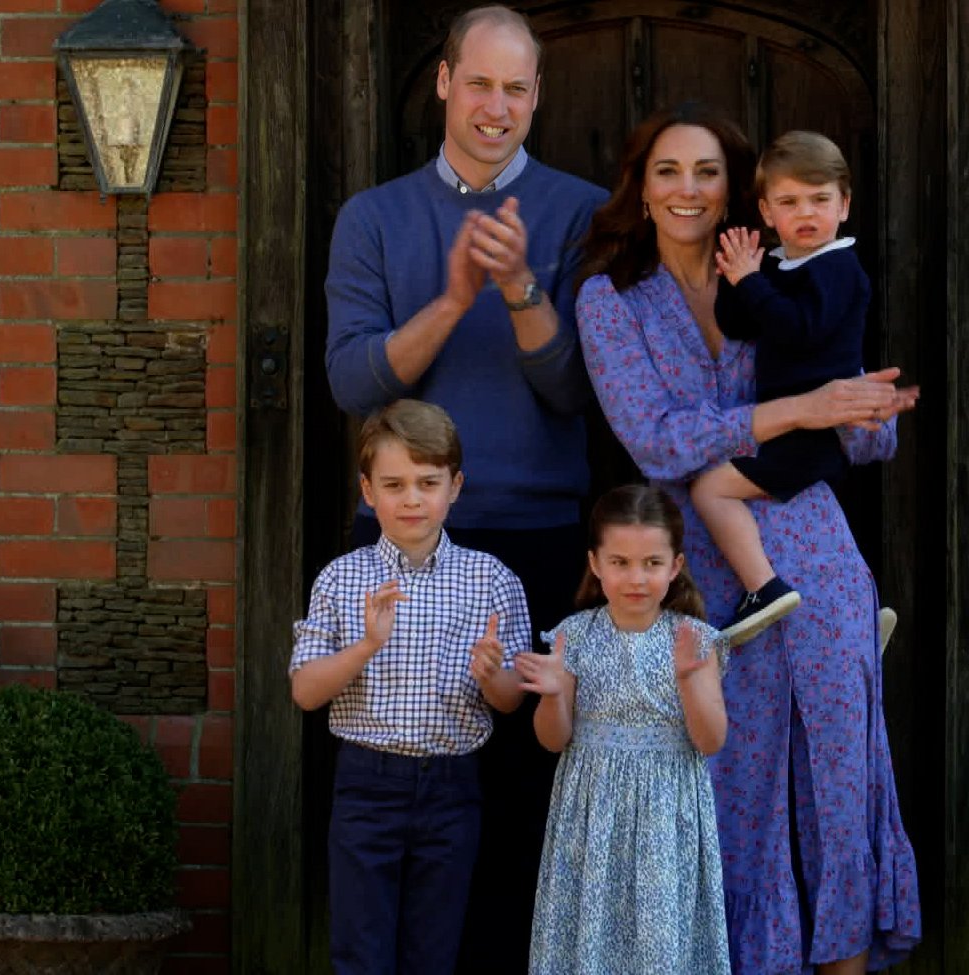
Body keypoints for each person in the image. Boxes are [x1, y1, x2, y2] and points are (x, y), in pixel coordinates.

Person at [573, 103, 924, 974]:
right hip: (698, 567)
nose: (687, 189)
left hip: (815, 545)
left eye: (705, 172)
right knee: (730, 787)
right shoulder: (609, 298)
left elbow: (853, 425)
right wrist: (802, 409)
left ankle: (846, 960)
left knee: (841, 779)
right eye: (667, 171)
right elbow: (654, 439)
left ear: (738, 193)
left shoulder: (784, 268)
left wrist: (867, 409)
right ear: (640, 189)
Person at [322, 6, 608, 967]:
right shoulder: (374, 216)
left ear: (537, 97)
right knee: (393, 799)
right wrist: (451, 298)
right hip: (401, 541)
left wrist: (522, 287)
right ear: (443, 82)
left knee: (523, 798)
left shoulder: (581, 213)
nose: (496, 106)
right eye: (478, 83)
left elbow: (576, 391)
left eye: (515, 88)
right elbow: (354, 382)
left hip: (534, 536)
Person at [289, 399, 529, 975]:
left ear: (456, 486)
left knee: (434, 949)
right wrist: (367, 645)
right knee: (360, 948)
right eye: (394, 484)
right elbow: (305, 692)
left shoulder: (491, 579)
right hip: (367, 784)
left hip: (452, 787)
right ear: (368, 491)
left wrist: (492, 674)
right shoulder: (342, 578)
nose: (413, 499)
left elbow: (512, 699)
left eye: (428, 482)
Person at [517, 485, 732, 975]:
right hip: (591, 813)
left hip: (666, 813)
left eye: (652, 564)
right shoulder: (575, 634)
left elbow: (710, 741)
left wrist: (689, 681)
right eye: (620, 562)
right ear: (595, 563)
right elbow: (553, 740)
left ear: (675, 566)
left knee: (660, 944)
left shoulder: (694, 639)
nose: (636, 578)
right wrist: (552, 693)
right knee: (591, 937)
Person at [695, 130, 870, 646]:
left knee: (711, 489)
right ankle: (847, 616)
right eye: (790, 202)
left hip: (812, 433)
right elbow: (739, 324)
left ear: (844, 205)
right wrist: (737, 276)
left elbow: (799, 329)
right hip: (788, 425)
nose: (807, 213)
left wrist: (753, 282)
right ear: (768, 213)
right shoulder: (781, 265)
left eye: (820, 200)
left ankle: (763, 589)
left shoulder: (838, 268)